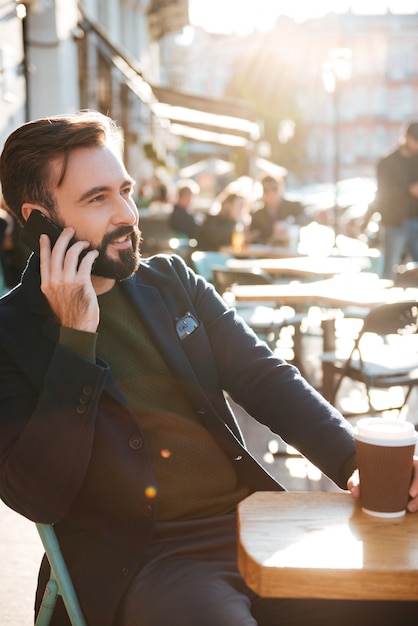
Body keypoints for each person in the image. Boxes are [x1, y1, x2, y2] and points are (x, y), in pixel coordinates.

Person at [0, 111, 417, 626]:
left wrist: (357, 463)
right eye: (97, 198)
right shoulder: (10, 333)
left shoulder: (172, 282)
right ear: (40, 218)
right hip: (146, 560)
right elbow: (34, 491)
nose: (126, 213)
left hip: (255, 527)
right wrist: (75, 340)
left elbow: (264, 378)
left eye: (124, 190)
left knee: (396, 600)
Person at [374, 121, 418, 279]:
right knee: (389, 271)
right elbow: (382, 192)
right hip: (395, 222)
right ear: (405, 137)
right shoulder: (388, 162)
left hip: (416, 219)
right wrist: (407, 189)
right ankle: (385, 304)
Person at [250, 174, 305, 245]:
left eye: (274, 188)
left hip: (292, 252)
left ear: (281, 188)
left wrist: (288, 223)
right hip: (267, 254)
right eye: (266, 190)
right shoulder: (257, 215)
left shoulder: (293, 206)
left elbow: (307, 217)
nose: (271, 193)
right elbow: (254, 238)